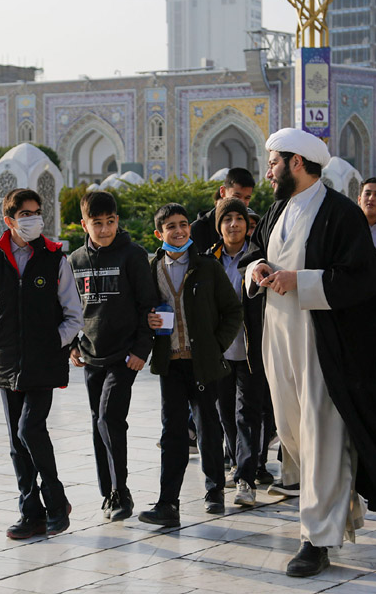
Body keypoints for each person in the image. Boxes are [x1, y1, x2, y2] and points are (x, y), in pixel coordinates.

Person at [243, 128, 376, 577]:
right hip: (279, 337)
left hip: (321, 345)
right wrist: (256, 267)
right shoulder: (276, 209)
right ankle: (335, 506)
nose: (269, 169)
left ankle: (316, 538)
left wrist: (303, 281)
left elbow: (365, 279)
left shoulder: (339, 214)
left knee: (323, 437)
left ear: (297, 163)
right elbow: (256, 251)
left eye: (274, 161)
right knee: (293, 434)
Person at [0, 188, 84, 539]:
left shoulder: (54, 259)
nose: (33, 219)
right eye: (25, 214)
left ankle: (56, 500)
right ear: (9, 220)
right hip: (7, 365)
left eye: (37, 212)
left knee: (29, 429)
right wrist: (0, 342)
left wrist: (53, 345)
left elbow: (73, 316)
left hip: (43, 365)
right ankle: (30, 513)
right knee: (16, 443)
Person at [138, 203, 243, 527]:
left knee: (209, 428)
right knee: (173, 433)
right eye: (171, 226)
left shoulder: (207, 267)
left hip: (203, 363)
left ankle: (214, 492)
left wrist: (216, 346)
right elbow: (139, 310)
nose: (180, 230)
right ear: (160, 233)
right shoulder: (151, 269)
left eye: (183, 224)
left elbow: (232, 311)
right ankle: (168, 503)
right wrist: (148, 320)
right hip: (170, 364)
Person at [68, 191, 156, 522]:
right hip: (92, 356)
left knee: (109, 419)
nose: (104, 230)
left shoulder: (133, 255)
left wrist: (140, 349)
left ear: (117, 221)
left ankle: (122, 492)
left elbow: (148, 304)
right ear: (84, 224)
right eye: (97, 223)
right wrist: (72, 346)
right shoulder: (75, 261)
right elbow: (69, 310)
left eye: (109, 222)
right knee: (98, 424)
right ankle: (107, 492)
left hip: (124, 356)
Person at [207, 198, 268, 507]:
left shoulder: (259, 258)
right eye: (227, 219)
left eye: (239, 219)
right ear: (219, 226)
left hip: (250, 349)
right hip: (220, 350)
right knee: (225, 413)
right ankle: (236, 460)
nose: (234, 224)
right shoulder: (209, 260)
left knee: (247, 413)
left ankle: (246, 477)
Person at [190, 168, 255, 252]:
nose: (241, 202)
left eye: (247, 198)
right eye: (236, 196)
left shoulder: (253, 226)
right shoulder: (199, 230)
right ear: (222, 192)